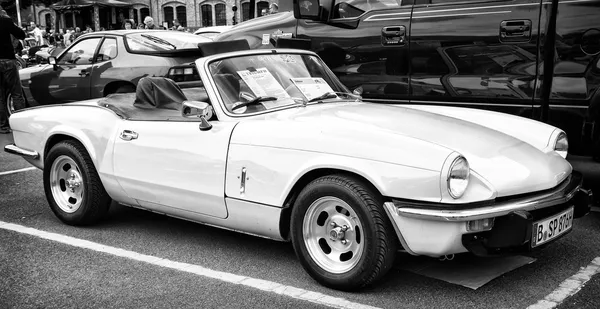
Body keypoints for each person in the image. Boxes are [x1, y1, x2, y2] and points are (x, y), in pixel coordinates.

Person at [0, 9, 26, 133]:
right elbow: (21, 34)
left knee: (0, 95)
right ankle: (20, 125)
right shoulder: (5, 20)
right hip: (8, 60)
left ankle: (3, 126)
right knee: (16, 93)